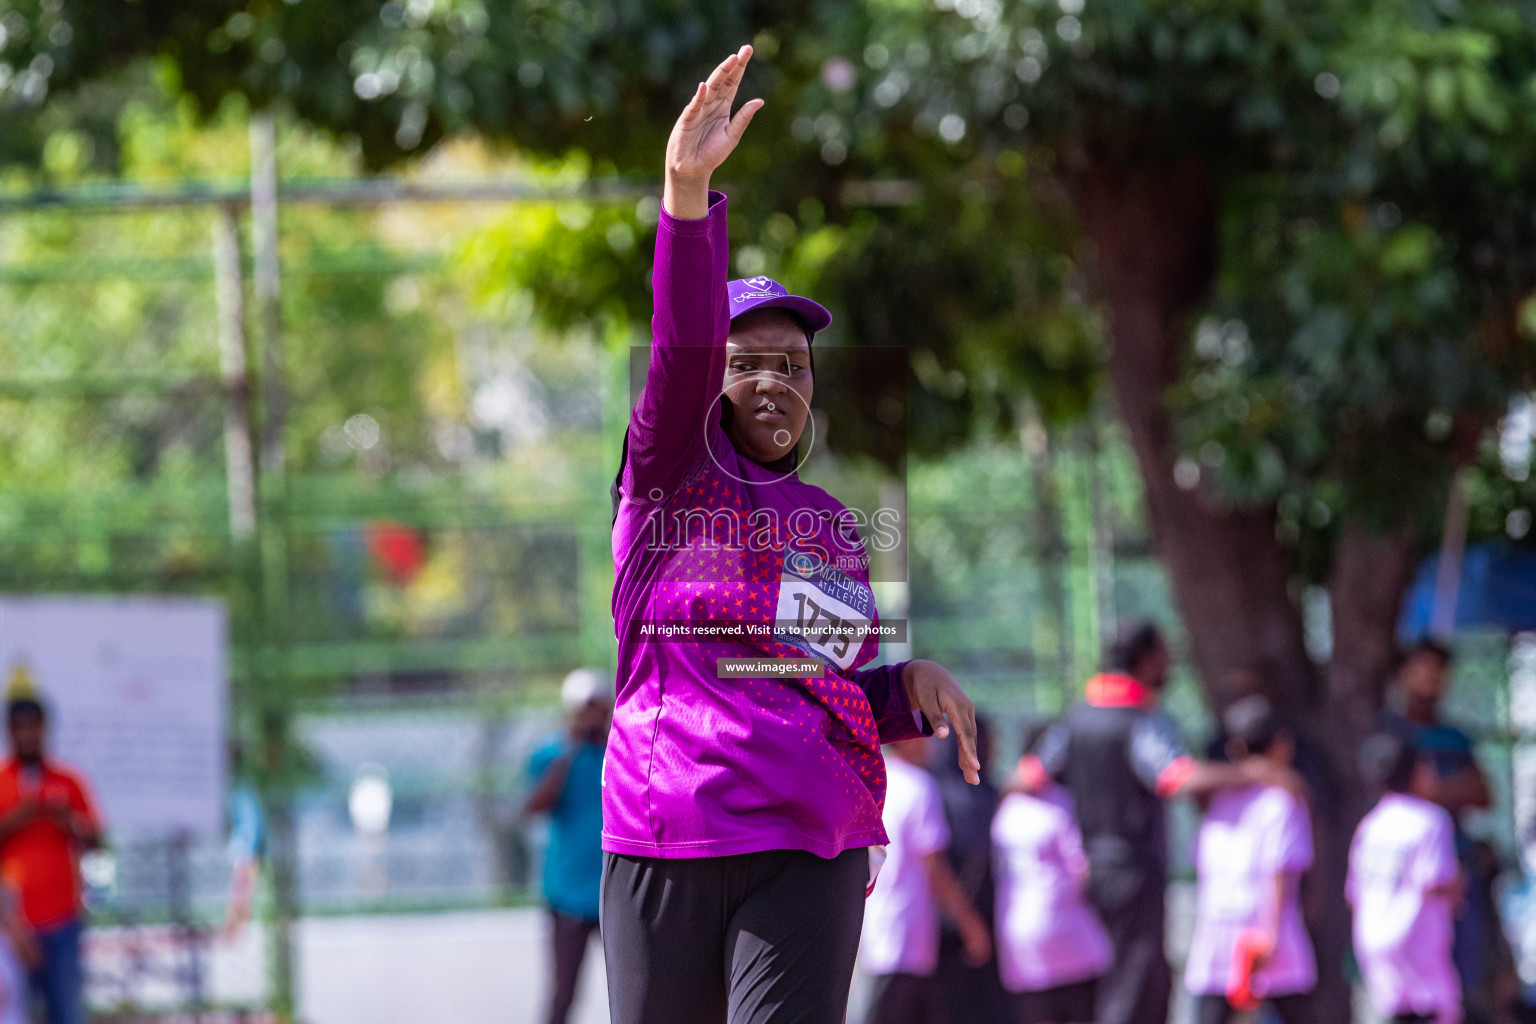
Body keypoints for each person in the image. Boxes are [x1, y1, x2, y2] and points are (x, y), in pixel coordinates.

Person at [601, 44, 981, 1024]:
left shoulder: (826, 523)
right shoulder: (665, 476)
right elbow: (682, 342)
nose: (777, 380)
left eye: (797, 366)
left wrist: (906, 689)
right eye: (751, 361)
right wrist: (688, 193)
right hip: (668, 829)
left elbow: (821, 676)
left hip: (812, 836)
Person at [1015, 620, 1302, 1024]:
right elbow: (1177, 777)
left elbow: (1026, 778)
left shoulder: (1075, 719)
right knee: (1137, 988)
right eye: (1165, 656)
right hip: (1133, 876)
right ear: (1147, 661)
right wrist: (1256, 772)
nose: (1169, 666)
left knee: (1105, 986)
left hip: (1086, 877)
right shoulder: (1140, 721)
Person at [1379, 639, 1511, 1022]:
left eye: (1438, 672)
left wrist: (1436, 792)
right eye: (1421, 669)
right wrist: (1447, 793)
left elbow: (1482, 793)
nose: (1430, 680)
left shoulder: (1454, 739)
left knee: (1461, 974)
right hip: (1401, 879)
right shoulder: (1388, 733)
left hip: (1453, 874)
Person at [1183, 696, 1316, 1024]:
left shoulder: (1217, 804)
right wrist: (1270, 933)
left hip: (1216, 931)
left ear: (1235, 748)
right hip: (1266, 930)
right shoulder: (1282, 801)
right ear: (1282, 745)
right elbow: (1279, 869)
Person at [860, 737, 991, 1024]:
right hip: (905, 938)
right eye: (923, 736)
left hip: (878, 931)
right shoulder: (921, 786)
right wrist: (970, 924)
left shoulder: (877, 781)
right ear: (904, 741)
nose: (932, 745)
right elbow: (935, 868)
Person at [992, 721, 1111, 1024]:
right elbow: (1081, 870)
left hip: (1017, 942)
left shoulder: (1003, 805)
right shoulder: (1060, 803)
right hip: (1070, 940)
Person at [0, 687, 103, 1024]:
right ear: (10, 731)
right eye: (21, 727)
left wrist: (68, 822)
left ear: (45, 728)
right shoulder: (2, 783)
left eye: (35, 726)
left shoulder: (67, 781)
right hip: (11, 926)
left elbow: (97, 842)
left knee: (66, 1013)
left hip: (63, 919)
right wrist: (19, 815)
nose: (29, 735)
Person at [1348, 732, 1463, 1024]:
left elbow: (1353, 894)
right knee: (1437, 1011)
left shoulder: (1370, 824)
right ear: (1417, 772)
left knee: (1395, 1013)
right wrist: (1458, 887)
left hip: (1372, 937)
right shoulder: (1431, 819)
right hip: (1416, 939)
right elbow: (1436, 881)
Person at [524, 668, 613, 1024]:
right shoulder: (551, 755)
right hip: (568, 894)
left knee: (638, 989)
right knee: (563, 993)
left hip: (615, 893)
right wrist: (571, 749)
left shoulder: (621, 751)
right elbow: (535, 806)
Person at [925, 722, 1011, 1024]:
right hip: (970, 922)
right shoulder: (972, 796)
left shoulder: (931, 785)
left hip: (939, 924)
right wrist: (968, 921)